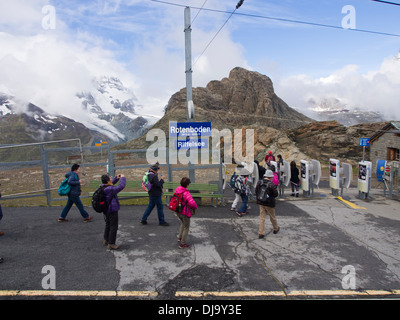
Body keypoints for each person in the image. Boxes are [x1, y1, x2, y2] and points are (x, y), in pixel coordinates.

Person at [101, 174, 126, 250]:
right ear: (108, 181)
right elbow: (121, 186)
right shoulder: (110, 189)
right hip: (112, 209)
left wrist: (116, 178)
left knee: (108, 224)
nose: (111, 178)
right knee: (113, 226)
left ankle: (106, 239)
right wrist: (123, 178)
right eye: (110, 178)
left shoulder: (103, 186)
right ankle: (111, 243)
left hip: (106, 209)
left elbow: (111, 184)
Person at [173, 177, 198, 249]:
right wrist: (195, 208)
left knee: (183, 223)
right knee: (186, 227)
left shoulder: (178, 189)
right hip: (184, 212)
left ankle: (179, 237)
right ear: (187, 184)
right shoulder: (186, 193)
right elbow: (192, 203)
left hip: (178, 210)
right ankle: (182, 243)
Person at [255, 170, 279, 239]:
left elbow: (256, 191)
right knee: (272, 217)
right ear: (270, 177)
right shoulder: (271, 184)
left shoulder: (259, 182)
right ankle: (275, 228)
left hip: (261, 202)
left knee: (262, 218)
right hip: (269, 203)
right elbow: (275, 194)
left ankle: (261, 232)